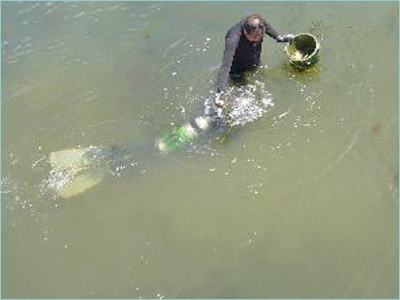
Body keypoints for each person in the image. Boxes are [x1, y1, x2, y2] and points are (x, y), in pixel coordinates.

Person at [214, 14, 294, 107]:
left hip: (255, 61)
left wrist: (280, 38)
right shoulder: (232, 38)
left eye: (259, 37)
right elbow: (225, 67)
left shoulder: (259, 23)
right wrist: (221, 93)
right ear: (245, 32)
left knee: (261, 86)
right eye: (253, 38)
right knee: (241, 96)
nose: (256, 40)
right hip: (237, 68)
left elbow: (267, 27)